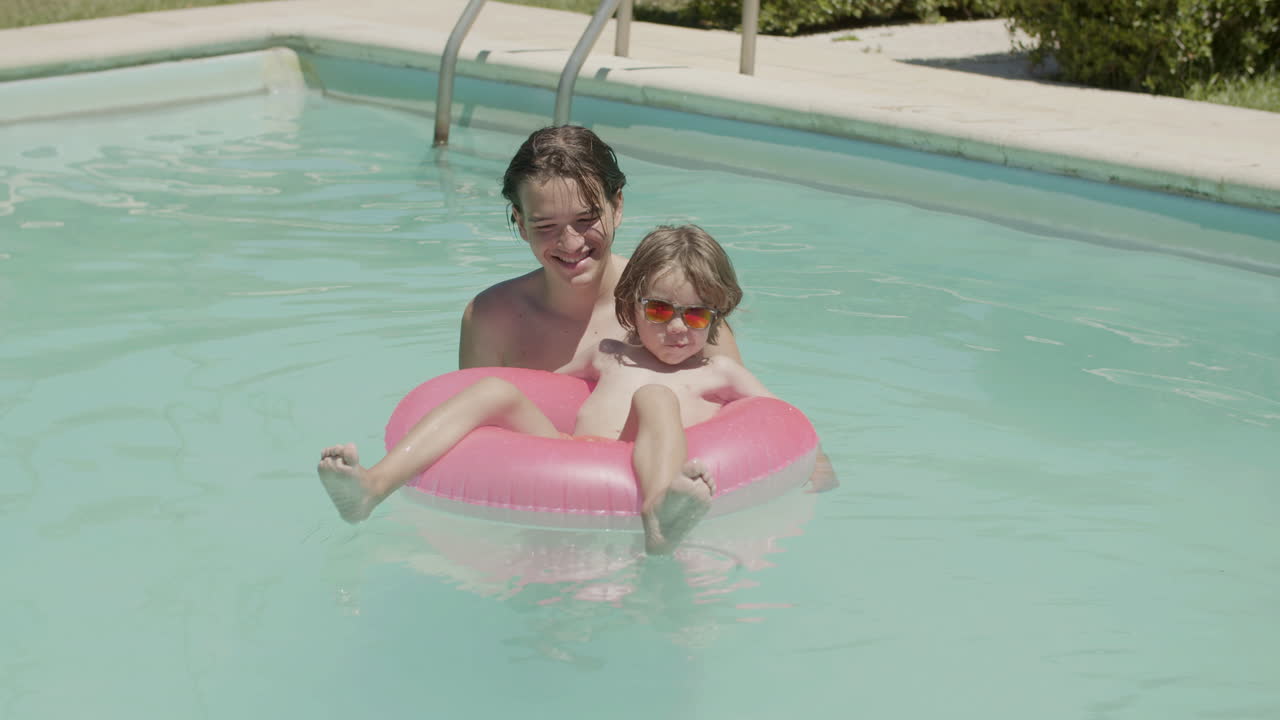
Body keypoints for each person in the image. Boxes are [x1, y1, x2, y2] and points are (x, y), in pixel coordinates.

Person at [319, 225, 777, 554]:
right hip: (568, 452)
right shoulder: (607, 352)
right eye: (659, 310)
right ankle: (372, 487)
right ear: (631, 305)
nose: (677, 328)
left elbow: (777, 423)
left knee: (655, 397)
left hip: (645, 466)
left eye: (696, 316)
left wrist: (817, 474)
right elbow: (543, 390)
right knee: (494, 388)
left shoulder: (719, 372)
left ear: (717, 317)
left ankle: (659, 515)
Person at [458, 125, 834, 489]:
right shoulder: (492, 318)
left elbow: (748, 420)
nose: (570, 243)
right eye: (545, 226)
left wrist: (817, 471)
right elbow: (479, 439)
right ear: (520, 222)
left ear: (617, 206)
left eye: (587, 219)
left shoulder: (679, 308)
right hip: (550, 499)